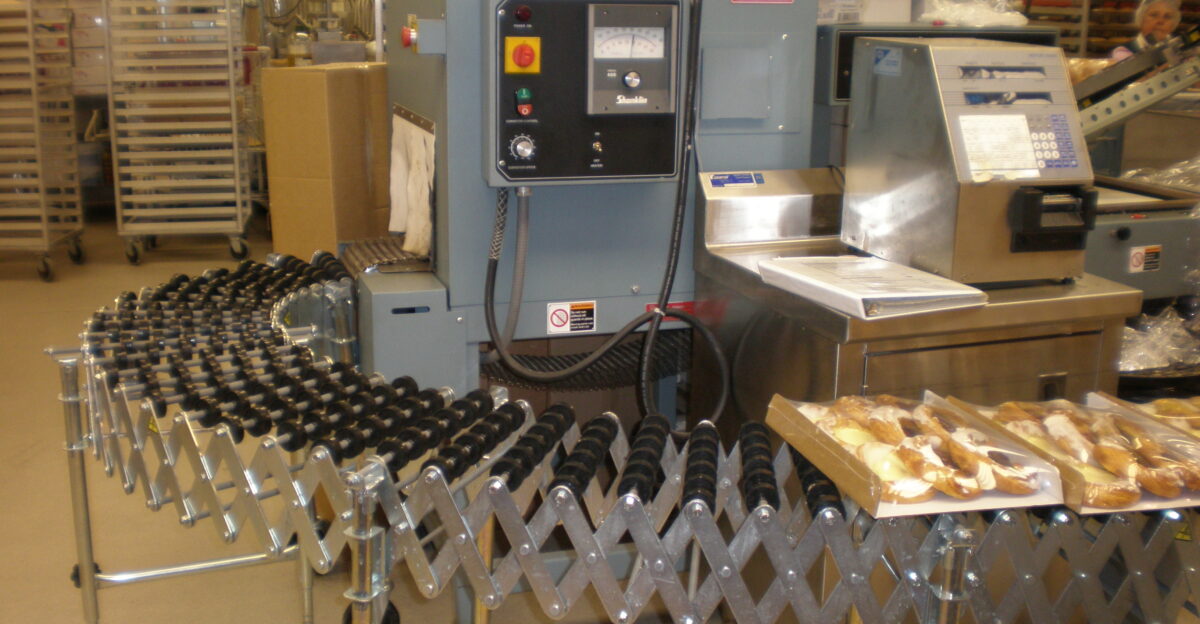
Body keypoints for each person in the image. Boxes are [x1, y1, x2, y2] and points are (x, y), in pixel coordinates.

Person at [1111, 0, 1183, 60]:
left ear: (1174, 24)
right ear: (1141, 19)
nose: (1160, 21)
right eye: (1154, 15)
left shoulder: (1180, 46)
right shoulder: (1123, 52)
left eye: (1167, 17)